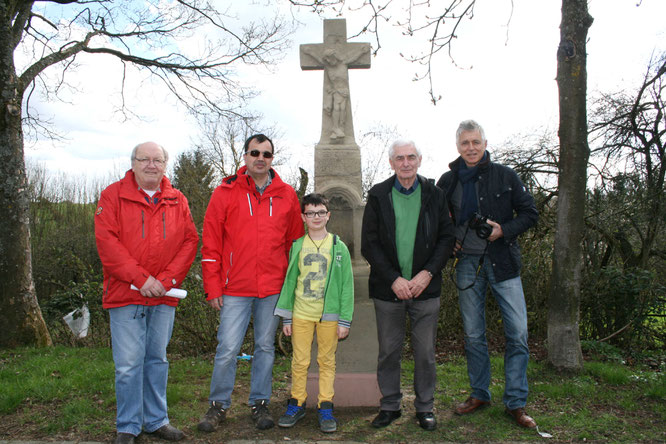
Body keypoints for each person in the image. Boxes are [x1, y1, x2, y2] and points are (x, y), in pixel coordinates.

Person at [198, 134, 304, 432]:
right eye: (255, 152)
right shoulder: (225, 191)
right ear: (245, 156)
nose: (261, 158)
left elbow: (294, 246)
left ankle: (260, 403)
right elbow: (211, 242)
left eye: (267, 154)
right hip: (234, 288)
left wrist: (291, 290)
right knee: (228, 348)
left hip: (272, 289)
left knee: (265, 348)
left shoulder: (286, 195)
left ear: (273, 158)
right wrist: (213, 285)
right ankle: (218, 405)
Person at [436, 120, 539, 428]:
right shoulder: (448, 181)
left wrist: (503, 230)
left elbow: (531, 213)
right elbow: (439, 220)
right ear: (458, 146)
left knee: (518, 333)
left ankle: (516, 403)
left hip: (503, 262)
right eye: (465, 143)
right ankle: (480, 393)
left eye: (475, 142)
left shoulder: (505, 175)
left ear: (484, 143)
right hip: (466, 263)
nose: (471, 148)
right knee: (473, 335)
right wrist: (450, 238)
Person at [95, 142, 199, 444]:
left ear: (165, 165)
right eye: (145, 159)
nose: (151, 165)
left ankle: (156, 420)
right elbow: (107, 244)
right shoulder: (112, 196)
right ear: (133, 163)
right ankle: (128, 426)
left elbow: (189, 242)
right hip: (125, 294)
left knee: (157, 359)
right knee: (128, 364)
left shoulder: (177, 199)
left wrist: (165, 281)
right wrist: (141, 279)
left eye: (158, 160)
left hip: (164, 296)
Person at [361, 140, 455, 431]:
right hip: (388, 289)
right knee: (389, 351)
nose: (405, 163)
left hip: (426, 288)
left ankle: (425, 407)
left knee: (425, 352)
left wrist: (427, 273)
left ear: (419, 160)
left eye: (410, 157)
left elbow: (446, 239)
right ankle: (390, 405)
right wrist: (393, 279)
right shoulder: (378, 195)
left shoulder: (435, 195)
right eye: (399, 158)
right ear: (391, 163)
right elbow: (369, 244)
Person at [274, 193, 354, 433]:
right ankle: (297, 402)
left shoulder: (339, 247)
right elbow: (289, 282)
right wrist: (286, 316)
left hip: (329, 316)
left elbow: (346, 286)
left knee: (326, 361)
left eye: (320, 212)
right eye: (310, 213)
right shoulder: (297, 246)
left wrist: (344, 319)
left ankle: (325, 405)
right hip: (301, 313)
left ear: (328, 215)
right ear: (303, 217)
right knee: (299, 361)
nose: (316, 217)